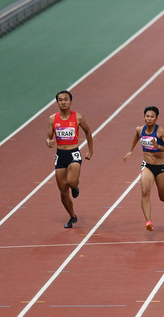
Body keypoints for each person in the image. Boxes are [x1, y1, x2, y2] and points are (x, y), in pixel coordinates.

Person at [47, 90, 94, 228]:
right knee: (62, 190)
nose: (63, 102)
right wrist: (48, 142)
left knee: (71, 181)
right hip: (60, 155)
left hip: (73, 153)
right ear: (57, 103)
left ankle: (75, 186)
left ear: (70, 101)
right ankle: (72, 216)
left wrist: (90, 151)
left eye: (66, 99)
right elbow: (49, 137)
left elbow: (88, 132)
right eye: (60, 100)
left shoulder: (78, 117)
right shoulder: (52, 119)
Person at [123, 106, 164, 231]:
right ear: (144, 117)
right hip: (147, 166)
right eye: (147, 116)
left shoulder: (161, 131)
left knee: (163, 198)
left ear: (156, 118)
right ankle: (148, 221)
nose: (149, 119)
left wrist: (159, 146)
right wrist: (130, 150)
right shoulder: (140, 130)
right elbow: (136, 135)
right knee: (145, 191)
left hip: (161, 166)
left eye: (152, 117)